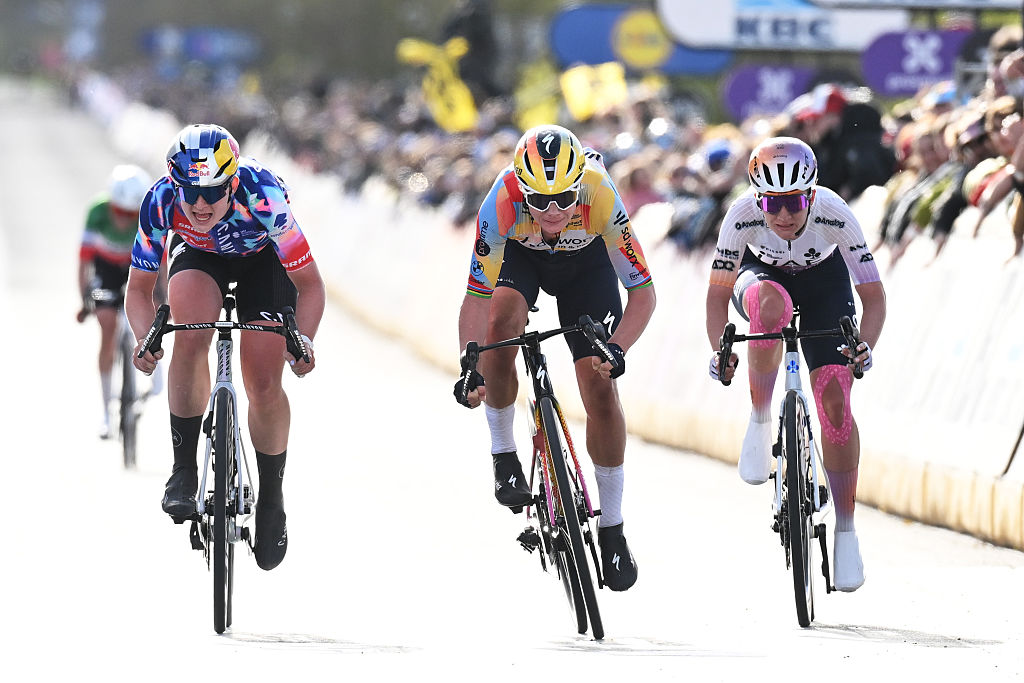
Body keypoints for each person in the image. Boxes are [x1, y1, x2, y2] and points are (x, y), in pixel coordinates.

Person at [454, 124, 656, 591]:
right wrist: (470, 365)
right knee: (501, 326)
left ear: (579, 185)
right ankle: (504, 454)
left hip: (588, 267)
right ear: (520, 187)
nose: (551, 211)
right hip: (520, 261)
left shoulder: (602, 196)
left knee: (600, 387)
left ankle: (613, 528)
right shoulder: (501, 201)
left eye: (564, 199)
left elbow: (643, 293)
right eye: (539, 200)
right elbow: (476, 297)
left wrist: (618, 348)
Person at [126, 124, 326, 571]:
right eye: (189, 191)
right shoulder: (160, 201)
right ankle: (183, 470)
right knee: (191, 332)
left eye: (213, 192)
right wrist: (144, 339)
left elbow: (310, 286)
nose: (199, 204)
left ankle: (272, 500)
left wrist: (304, 340)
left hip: (264, 261)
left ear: (232, 181)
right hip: (200, 257)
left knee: (262, 379)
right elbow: (139, 292)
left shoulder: (263, 197)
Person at [705, 137, 885, 592]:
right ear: (756, 197)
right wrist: (719, 349)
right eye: (772, 203)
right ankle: (761, 416)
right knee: (772, 307)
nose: (783, 215)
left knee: (835, 405)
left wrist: (865, 344)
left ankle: (846, 528)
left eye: (794, 202)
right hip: (762, 280)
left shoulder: (835, 213)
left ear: (811, 194)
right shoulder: (742, 216)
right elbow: (715, 296)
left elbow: (873, 298)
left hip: (826, 286)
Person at [76, 164, 156, 439]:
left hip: (138, 266)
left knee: (151, 313)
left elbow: (163, 261)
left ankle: (152, 375)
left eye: (129, 214)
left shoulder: (148, 213)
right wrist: (85, 298)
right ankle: (105, 413)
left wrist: (163, 296)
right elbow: (84, 260)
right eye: (118, 211)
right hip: (107, 269)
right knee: (107, 327)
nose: (123, 219)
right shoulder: (97, 211)